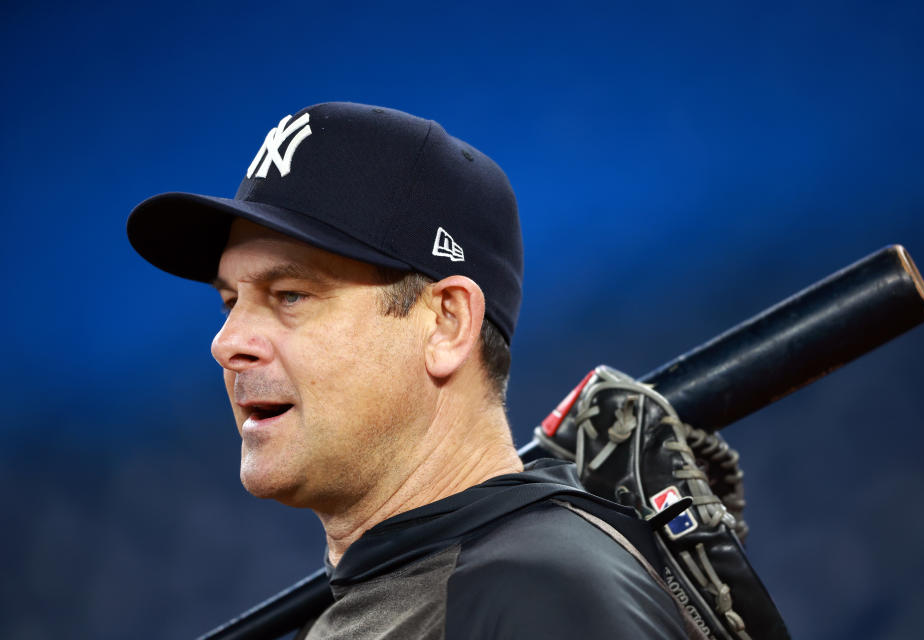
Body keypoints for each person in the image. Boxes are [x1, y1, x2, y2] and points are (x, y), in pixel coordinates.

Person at [127, 102, 699, 639]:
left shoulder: (537, 595)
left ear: (447, 324)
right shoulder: (414, 593)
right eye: (231, 302)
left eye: (291, 294)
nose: (227, 343)